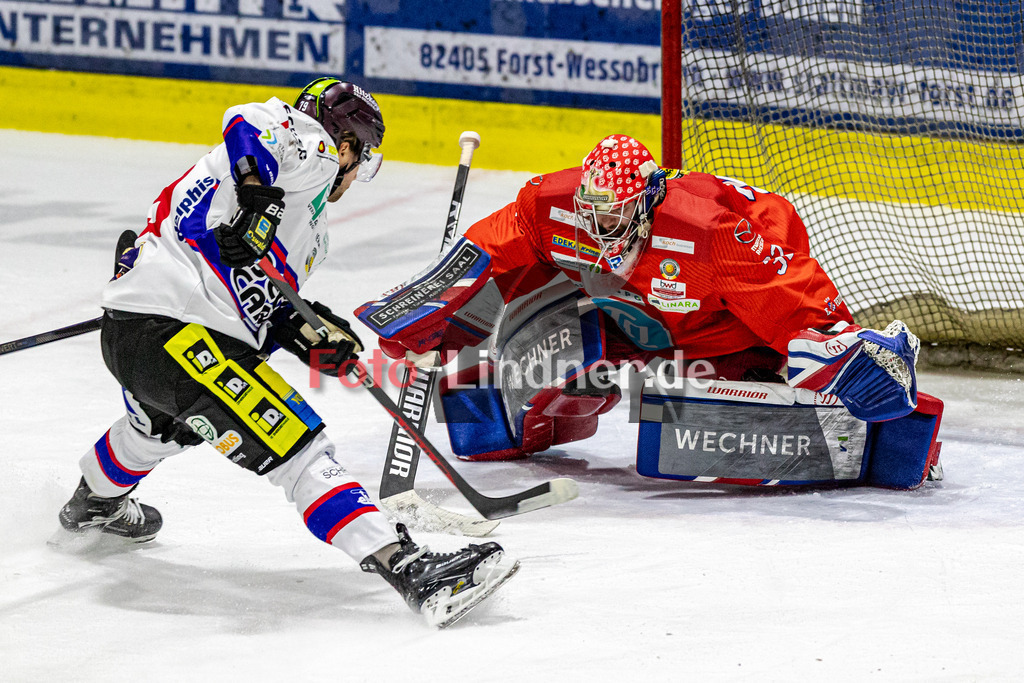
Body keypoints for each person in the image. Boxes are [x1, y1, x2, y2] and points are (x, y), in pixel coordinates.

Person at [56, 78, 517, 628]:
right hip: (177, 331)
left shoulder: (307, 224)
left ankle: (93, 503)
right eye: (360, 156)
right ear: (347, 145)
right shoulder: (309, 146)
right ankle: (412, 568)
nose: (353, 170)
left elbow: (261, 302)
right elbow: (247, 125)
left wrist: (309, 333)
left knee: (158, 428)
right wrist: (257, 199)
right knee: (298, 446)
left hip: (146, 336)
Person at [357, 134, 928, 479]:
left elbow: (790, 296)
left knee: (697, 421)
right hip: (625, 317)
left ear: (649, 199)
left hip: (722, 330)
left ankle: (862, 421)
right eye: (591, 209)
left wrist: (835, 346)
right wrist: (424, 317)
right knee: (493, 422)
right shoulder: (553, 206)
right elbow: (487, 254)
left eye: (613, 214)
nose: (597, 227)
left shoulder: (713, 232)